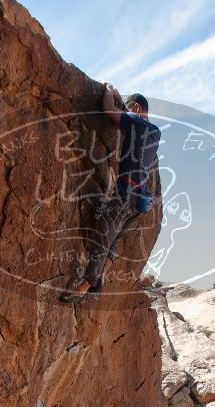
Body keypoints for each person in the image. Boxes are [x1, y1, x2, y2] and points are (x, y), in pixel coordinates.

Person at [59, 84, 161, 303]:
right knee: (113, 241)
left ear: (135, 107)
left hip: (126, 193)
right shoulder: (154, 132)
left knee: (103, 234)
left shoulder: (135, 122)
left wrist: (108, 89)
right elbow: (127, 114)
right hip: (140, 202)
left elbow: (108, 109)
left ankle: (85, 286)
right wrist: (122, 101)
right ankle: (102, 276)